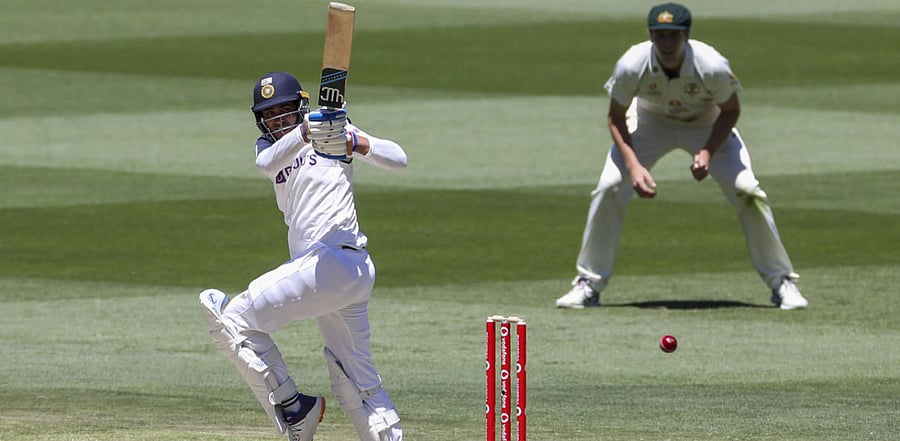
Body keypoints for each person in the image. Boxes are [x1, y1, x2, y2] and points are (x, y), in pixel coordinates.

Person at [556, 3, 808, 310]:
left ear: (686, 34)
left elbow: (731, 111)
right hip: (650, 122)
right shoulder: (631, 65)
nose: (666, 43)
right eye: (660, 35)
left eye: (673, 35)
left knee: (747, 190)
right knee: (609, 185)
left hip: (706, 124)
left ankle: (781, 282)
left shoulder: (711, 65)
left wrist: (707, 151)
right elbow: (615, 117)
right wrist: (634, 166)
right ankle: (588, 284)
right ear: (650, 35)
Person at [200, 71, 407, 441]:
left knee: (231, 321)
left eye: (284, 111)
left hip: (337, 264)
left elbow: (399, 158)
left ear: (301, 106)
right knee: (357, 382)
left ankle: (296, 410)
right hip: (329, 276)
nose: (278, 120)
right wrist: (307, 132)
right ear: (261, 120)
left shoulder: (335, 132)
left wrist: (354, 141)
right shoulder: (270, 148)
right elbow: (266, 165)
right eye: (270, 115)